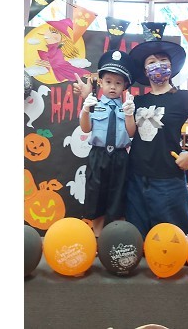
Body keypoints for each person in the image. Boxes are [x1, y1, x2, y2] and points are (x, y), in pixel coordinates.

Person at [123, 40, 188, 238]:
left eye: (163, 60)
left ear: (171, 66)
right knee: (138, 238)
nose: (158, 64)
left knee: (173, 239)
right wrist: (128, 114)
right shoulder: (138, 101)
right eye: (151, 62)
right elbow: (131, 133)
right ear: (145, 70)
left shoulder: (183, 97)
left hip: (168, 180)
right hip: (136, 178)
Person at [74, 49, 139, 237]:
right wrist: (85, 110)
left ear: (125, 86)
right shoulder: (93, 104)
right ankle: (97, 235)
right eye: (108, 82)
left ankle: (114, 238)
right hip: (98, 156)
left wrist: (129, 115)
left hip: (120, 157)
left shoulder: (127, 107)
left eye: (118, 83)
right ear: (100, 82)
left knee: (118, 196)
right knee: (96, 195)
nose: (113, 87)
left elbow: (131, 132)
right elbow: (86, 129)